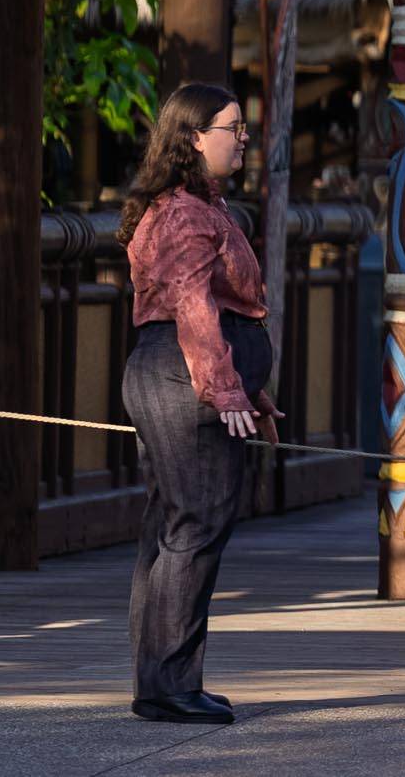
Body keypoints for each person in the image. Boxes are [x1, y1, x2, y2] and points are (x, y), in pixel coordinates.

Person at [118, 83, 276, 725]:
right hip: (183, 374)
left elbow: (215, 307)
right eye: (232, 127)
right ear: (192, 138)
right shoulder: (184, 211)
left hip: (183, 370)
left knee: (172, 526)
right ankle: (168, 684)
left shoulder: (198, 207)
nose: (242, 137)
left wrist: (248, 385)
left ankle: (164, 681)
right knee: (196, 525)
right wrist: (223, 384)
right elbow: (190, 302)